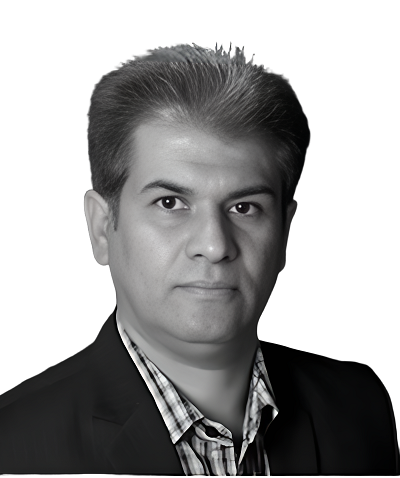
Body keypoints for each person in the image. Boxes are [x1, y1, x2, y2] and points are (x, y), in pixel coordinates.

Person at [0, 44, 398, 475]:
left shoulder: (359, 406)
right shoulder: (13, 443)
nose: (213, 245)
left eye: (244, 207)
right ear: (101, 227)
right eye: (170, 203)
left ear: (284, 231)